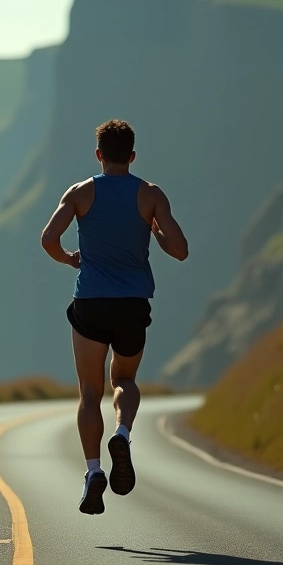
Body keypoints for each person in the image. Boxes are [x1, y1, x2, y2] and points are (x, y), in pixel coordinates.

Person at [39, 119, 188, 515]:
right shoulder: (150, 195)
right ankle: (122, 432)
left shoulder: (80, 193)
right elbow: (180, 249)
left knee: (90, 393)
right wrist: (154, 231)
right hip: (133, 303)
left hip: (90, 301)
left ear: (99, 154)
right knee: (124, 379)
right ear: (133, 155)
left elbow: (48, 239)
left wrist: (72, 259)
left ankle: (92, 473)